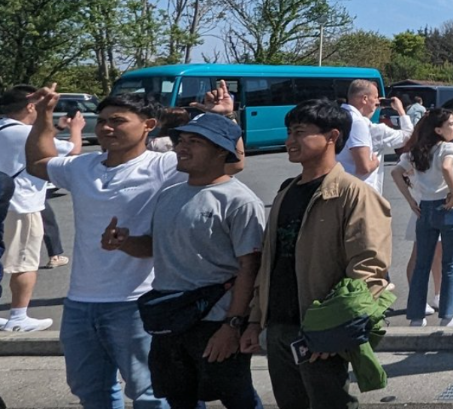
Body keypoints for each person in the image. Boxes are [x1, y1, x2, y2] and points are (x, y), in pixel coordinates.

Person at [24, 82, 241, 409]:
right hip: (80, 304)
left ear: (148, 125)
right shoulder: (83, 166)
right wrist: (43, 114)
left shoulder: (164, 166)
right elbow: (38, 163)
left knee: (151, 394)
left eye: (119, 120)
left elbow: (232, 164)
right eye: (104, 120)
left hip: (137, 303)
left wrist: (224, 118)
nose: (108, 127)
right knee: (90, 391)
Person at [102, 113, 265, 409]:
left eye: (195, 141)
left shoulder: (240, 201)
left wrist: (232, 325)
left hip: (215, 321)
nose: (182, 148)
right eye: (182, 141)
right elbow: (154, 247)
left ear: (221, 150)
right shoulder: (169, 195)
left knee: (238, 399)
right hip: (170, 317)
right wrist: (125, 243)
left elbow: (250, 268)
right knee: (180, 400)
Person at [239, 99, 392, 409]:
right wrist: (255, 321)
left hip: (320, 332)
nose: (289, 141)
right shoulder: (286, 192)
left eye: (299, 132)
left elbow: (369, 268)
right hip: (280, 328)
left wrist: (335, 332)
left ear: (332, 136)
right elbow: (269, 264)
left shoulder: (354, 193)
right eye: (289, 132)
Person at [0, 85, 83, 332]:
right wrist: (75, 129)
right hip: (22, 204)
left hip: (3, 201)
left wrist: (54, 127)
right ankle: (18, 316)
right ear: (30, 106)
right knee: (24, 263)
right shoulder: (25, 132)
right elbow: (72, 151)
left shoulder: (4, 127)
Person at [392, 108, 453, 327]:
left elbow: (396, 173)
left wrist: (410, 200)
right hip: (448, 207)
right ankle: (447, 315)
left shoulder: (417, 151)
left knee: (422, 264)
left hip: (424, 207)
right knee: (450, 263)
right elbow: (447, 165)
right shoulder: (448, 148)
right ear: (438, 129)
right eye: (451, 124)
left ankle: (416, 316)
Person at [338, 80, 413, 194]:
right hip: (362, 190)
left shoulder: (338, 117)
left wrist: (372, 109)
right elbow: (408, 136)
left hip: (339, 185)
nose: (377, 101)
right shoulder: (363, 125)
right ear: (364, 99)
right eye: (376, 98)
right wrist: (400, 110)